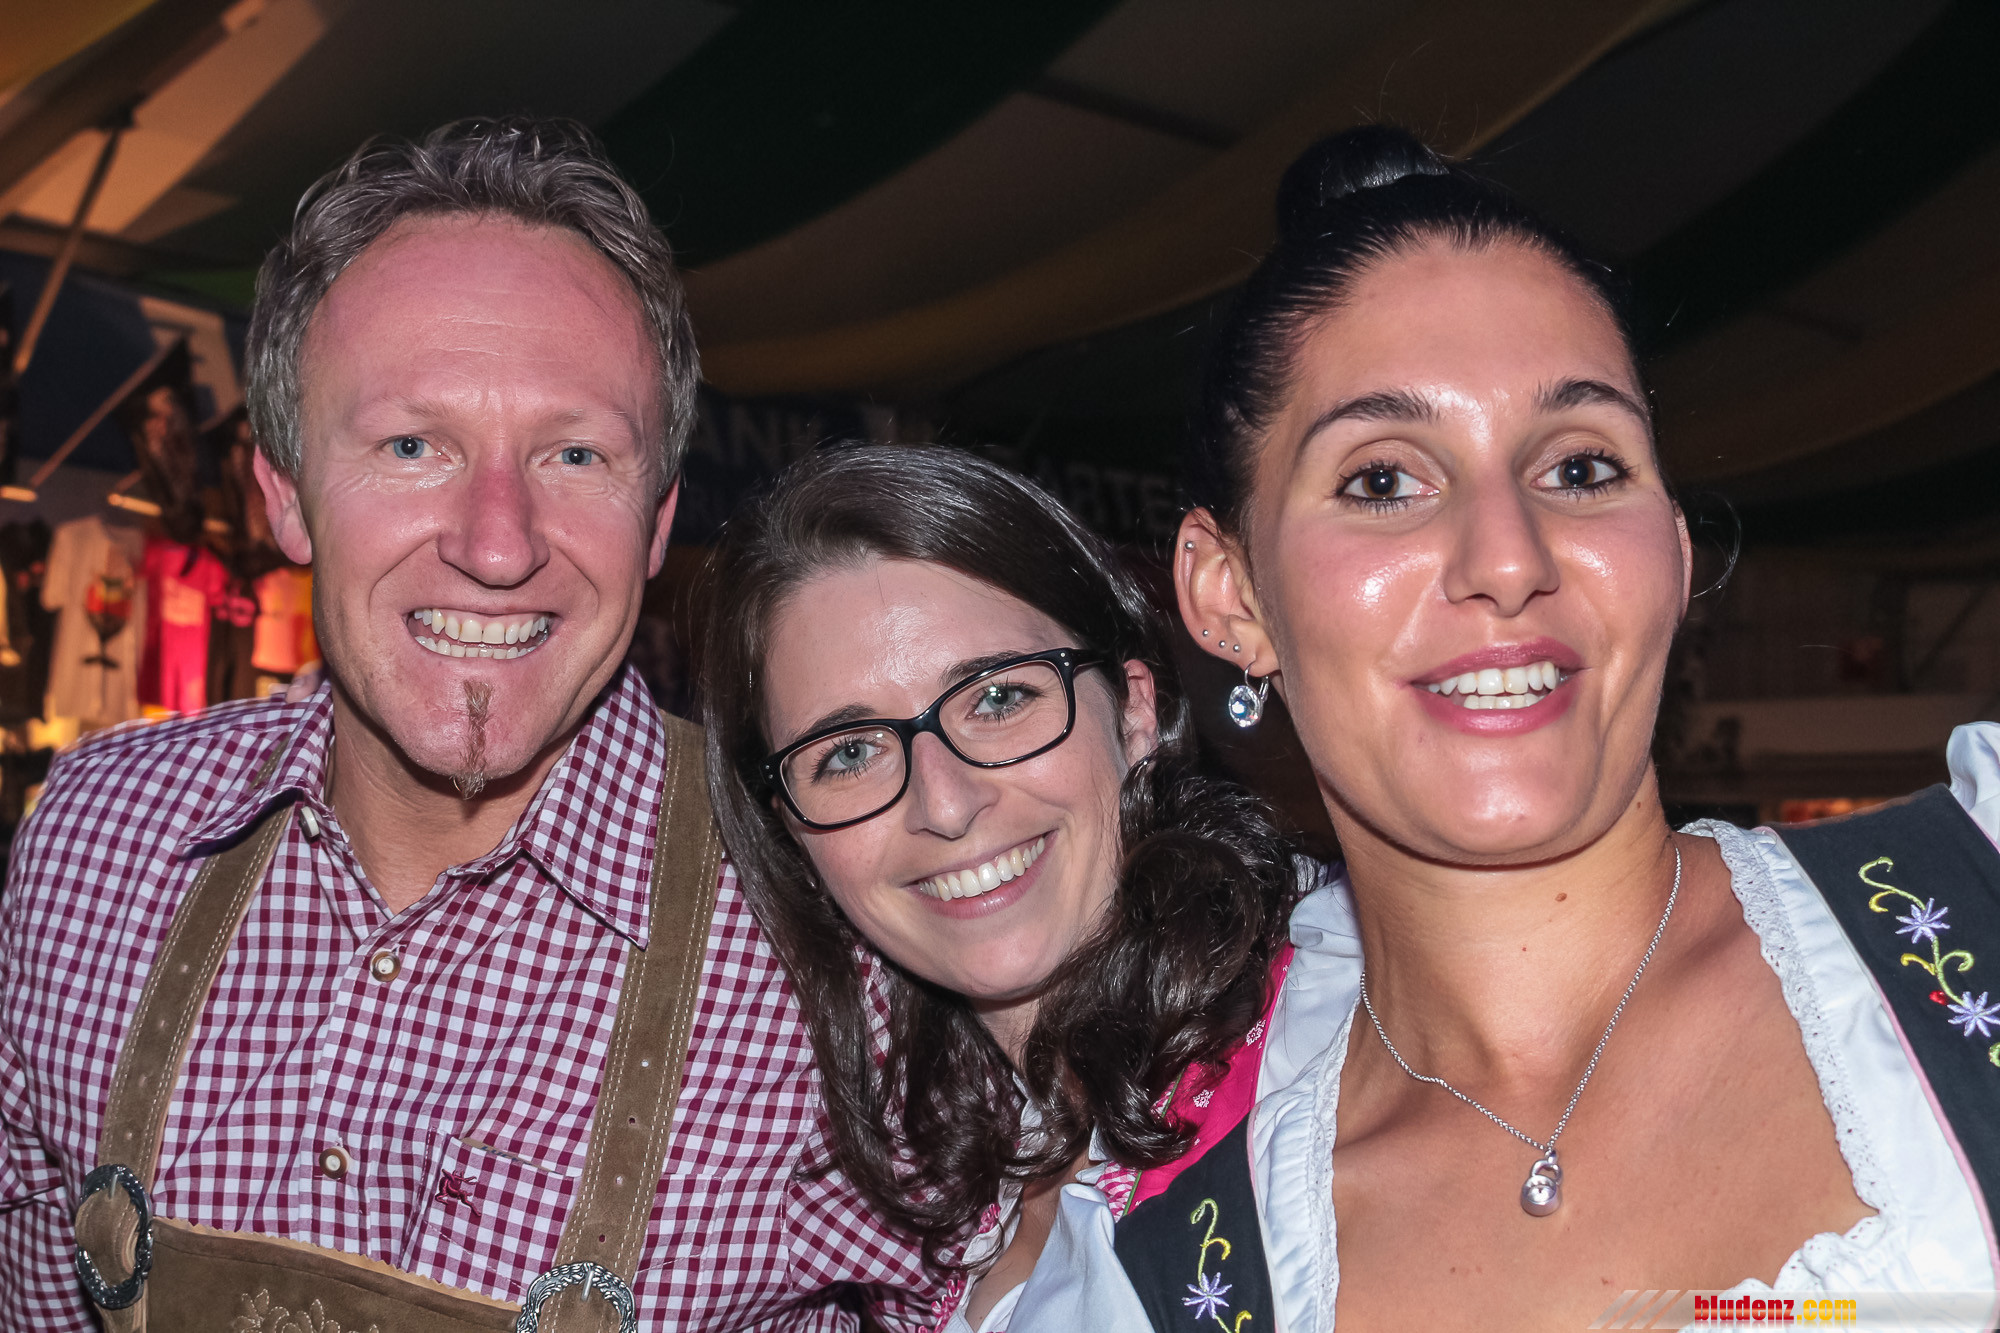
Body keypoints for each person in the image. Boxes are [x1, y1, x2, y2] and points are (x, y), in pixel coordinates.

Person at [1013, 126, 2000, 1331]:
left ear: (1671, 553)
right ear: (1230, 596)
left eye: (1579, 468)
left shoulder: (1974, 900)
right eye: (1382, 480)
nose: (1506, 557)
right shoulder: (1171, 1283)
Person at [0, 118, 952, 1331]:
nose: (497, 544)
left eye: (574, 453)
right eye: (412, 444)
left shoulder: (839, 929)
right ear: (283, 494)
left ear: (658, 523)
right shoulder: (96, 841)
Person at [698, 445, 1299, 1331]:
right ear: (793, 833)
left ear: (1134, 707)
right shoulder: (943, 1209)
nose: (944, 804)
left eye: (998, 699)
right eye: (850, 752)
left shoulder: (1330, 1049)